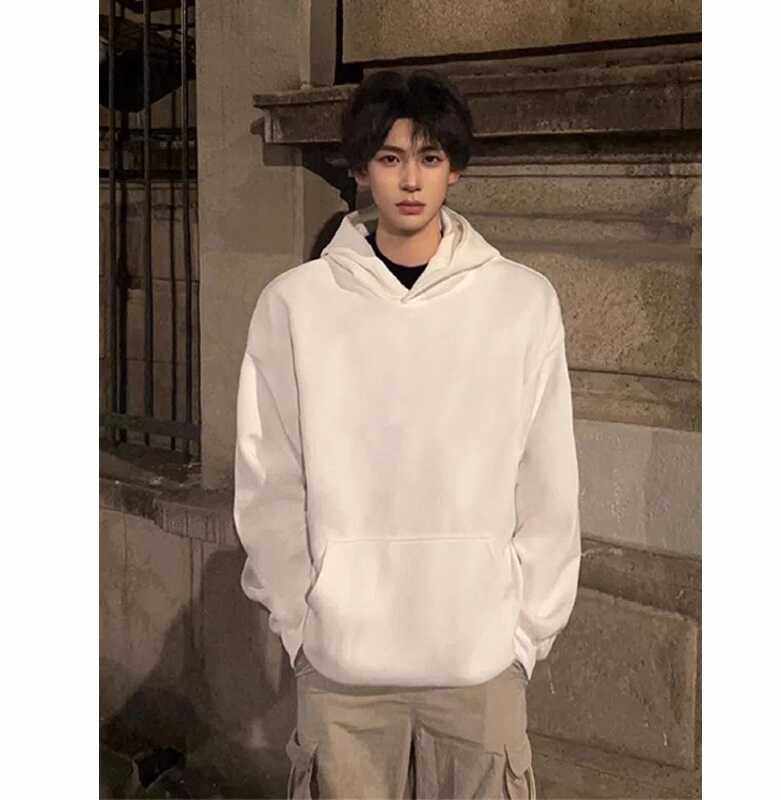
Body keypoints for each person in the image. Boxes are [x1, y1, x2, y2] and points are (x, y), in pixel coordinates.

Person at [233, 69, 581, 799]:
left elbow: (548, 480)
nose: (411, 180)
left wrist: (523, 638)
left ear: (455, 168)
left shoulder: (521, 302)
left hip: (480, 668)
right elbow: (270, 479)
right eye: (390, 158)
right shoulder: (297, 305)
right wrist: (301, 626)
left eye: (429, 157)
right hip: (342, 668)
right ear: (362, 169)